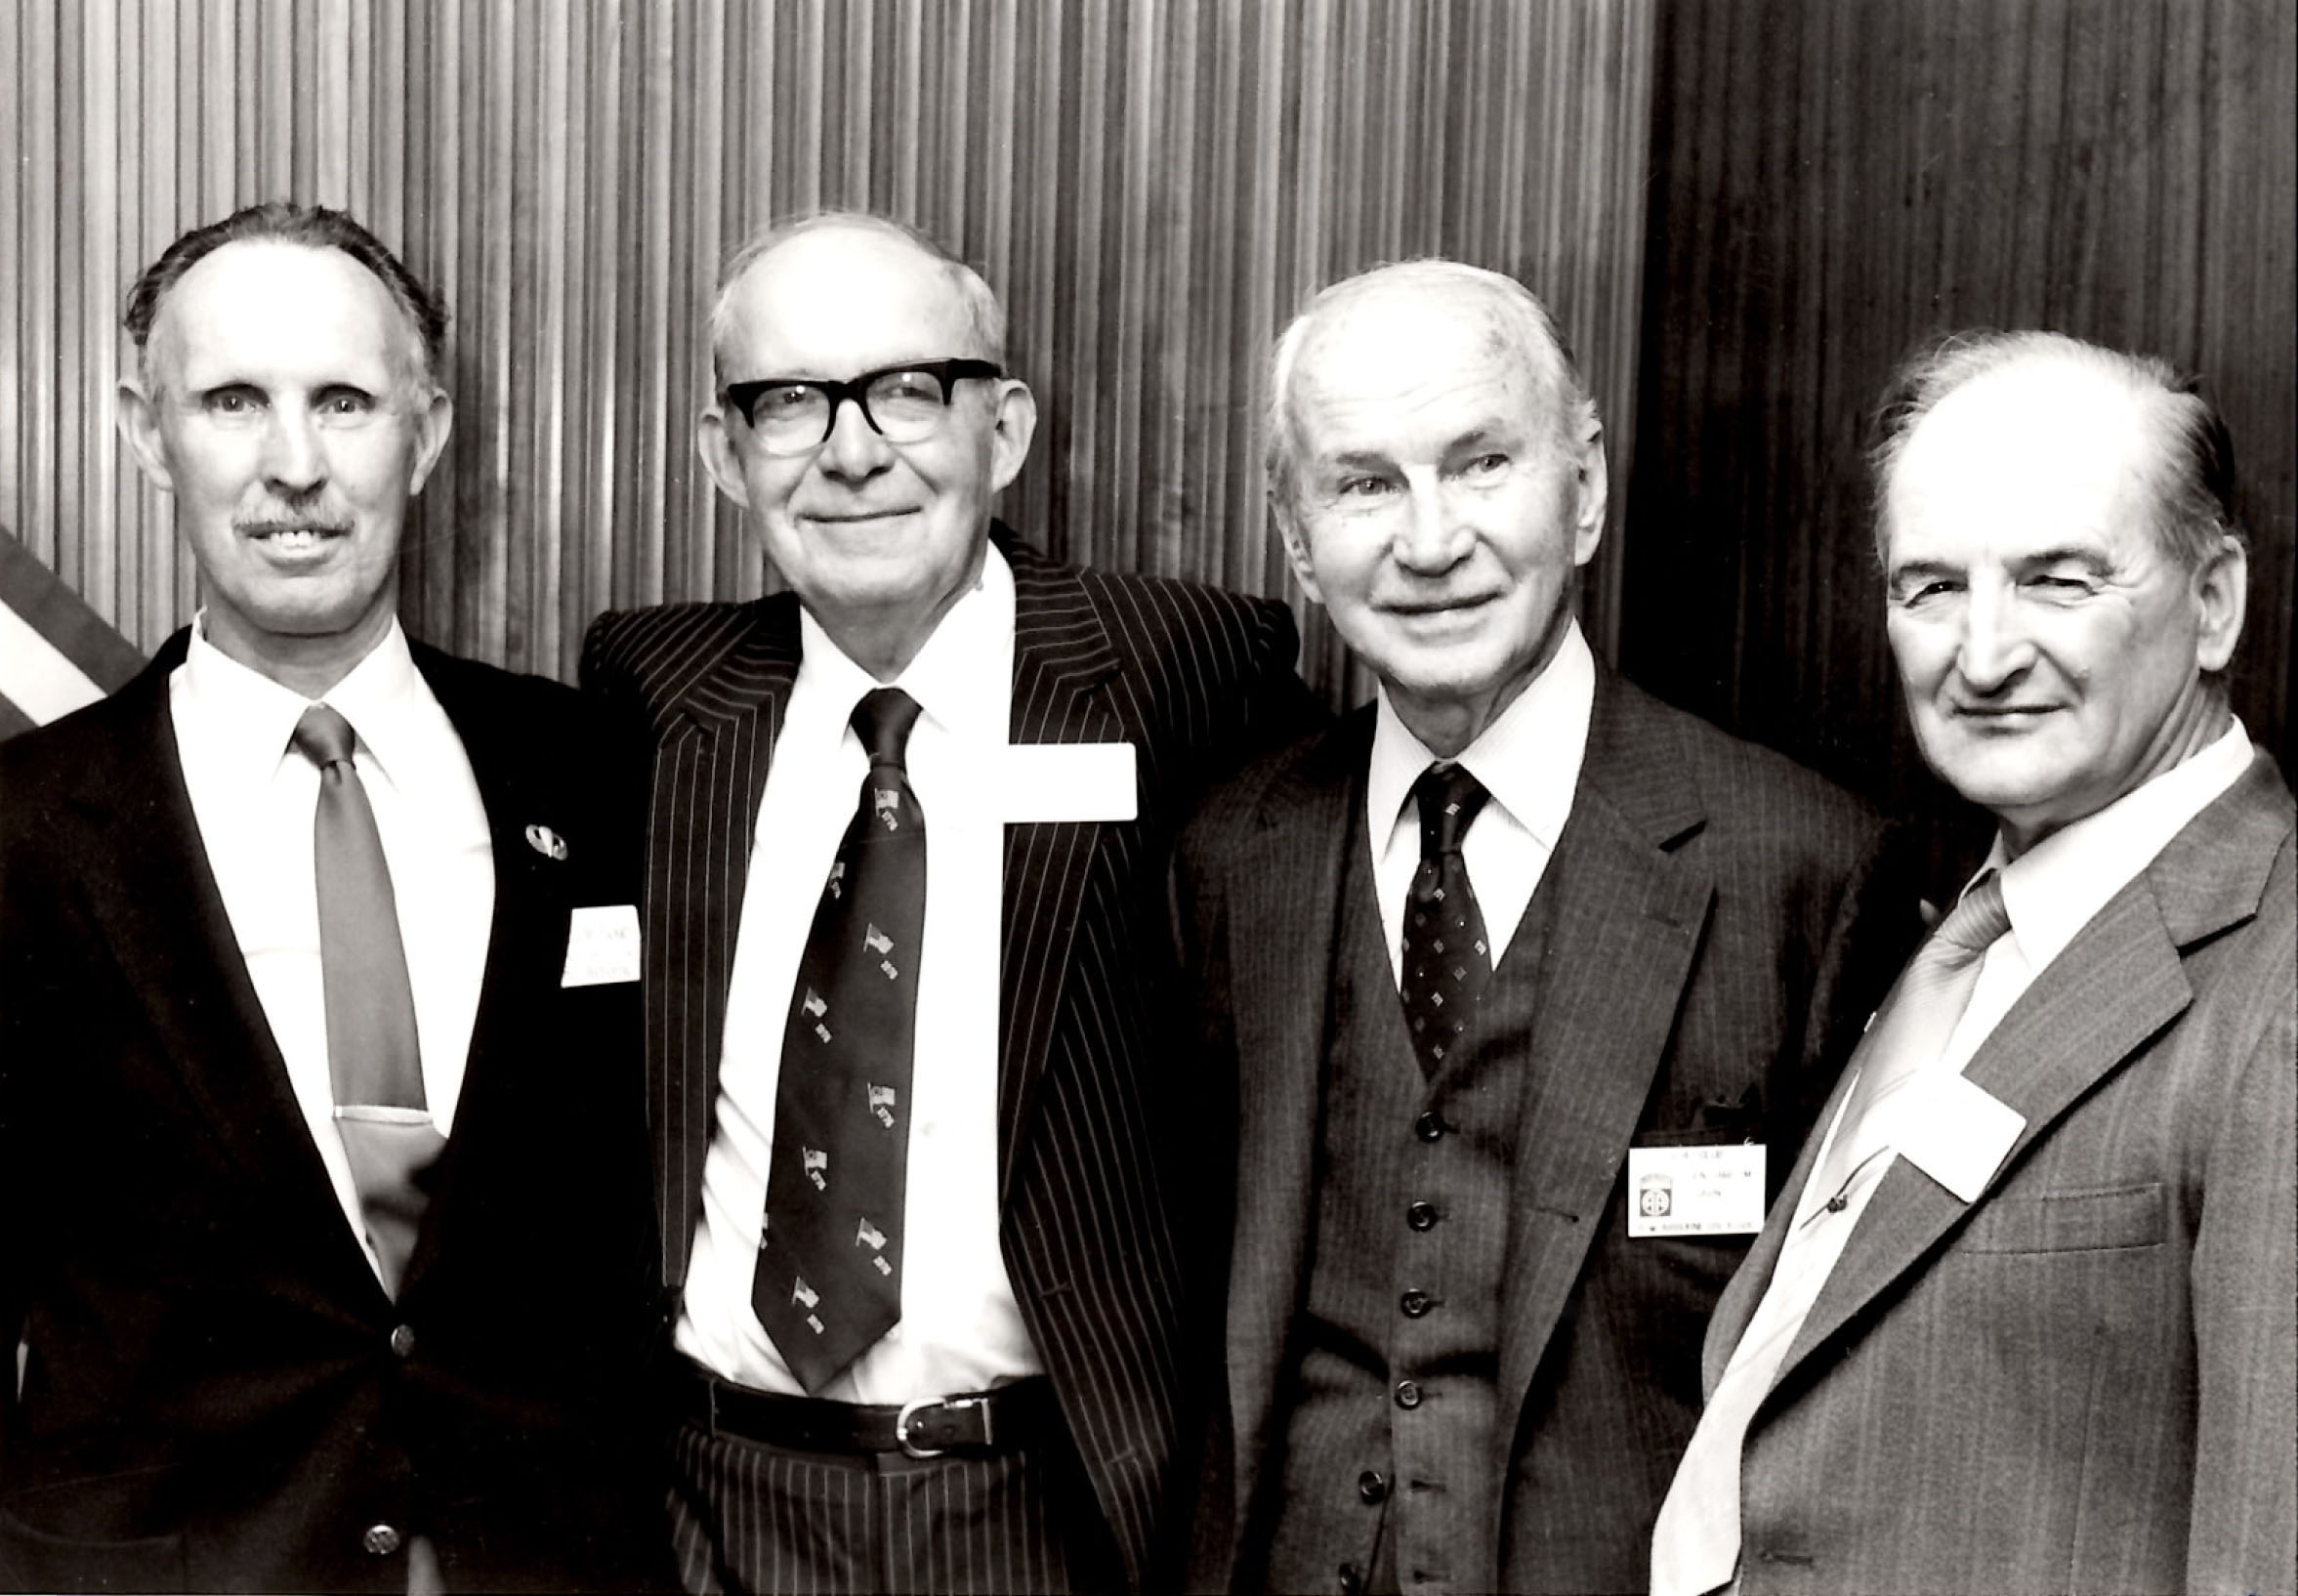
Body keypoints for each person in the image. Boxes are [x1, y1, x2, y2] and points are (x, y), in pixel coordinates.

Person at [581, 211, 1312, 1594]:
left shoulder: (1185, 672)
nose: (853, 452)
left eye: (909, 389)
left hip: (1045, 1505)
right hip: (710, 1503)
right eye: (788, 403)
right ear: (720, 456)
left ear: (1007, 429)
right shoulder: (658, 695)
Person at [1172, 259, 1918, 1594]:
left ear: (1583, 487)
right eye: (1361, 483)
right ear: (1294, 539)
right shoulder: (1231, 855)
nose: (1427, 538)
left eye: (1478, 464)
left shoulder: (1800, 866)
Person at [0, 203, 665, 1593]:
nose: (293, 466)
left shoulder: (603, 772)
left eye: (343, 402)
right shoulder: (24, 826)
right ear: (143, 428)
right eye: (233, 400)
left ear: (423, 434)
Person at [1650, 331, 2296, 1595]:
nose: (1983, 655)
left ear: (2211, 600)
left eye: (2055, 580)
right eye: (1930, 587)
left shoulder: (2274, 984)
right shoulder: (1955, 924)